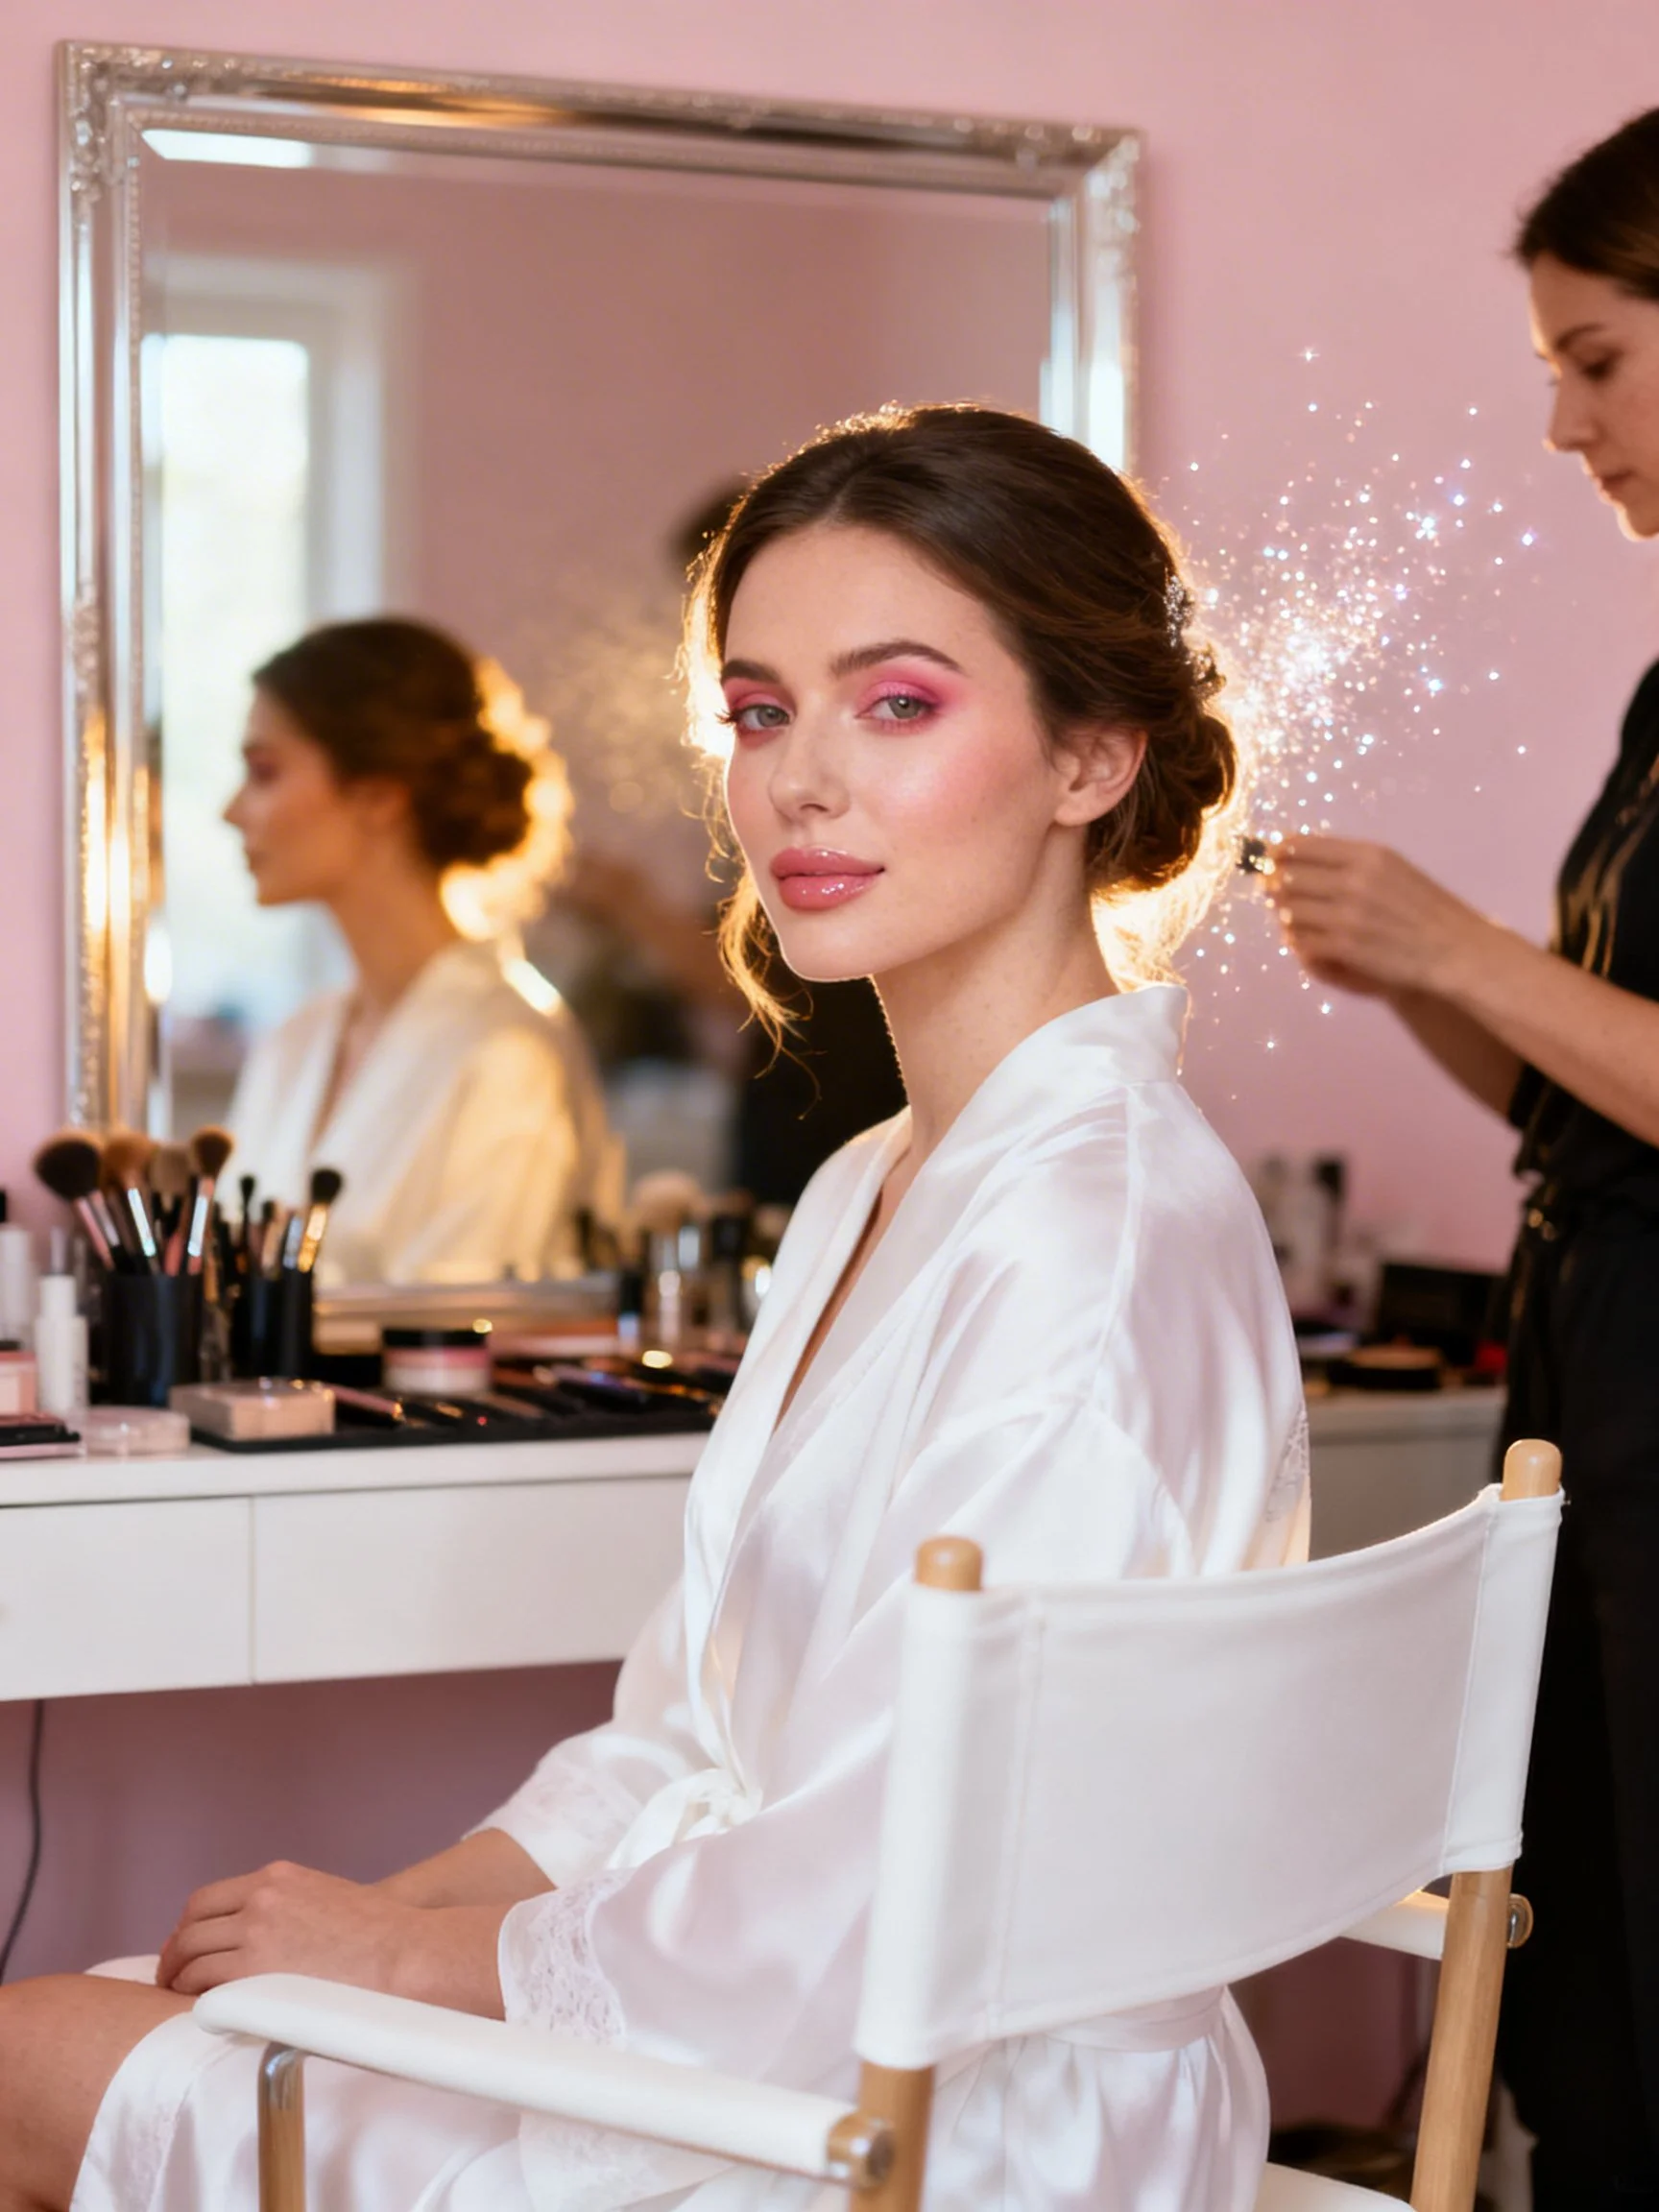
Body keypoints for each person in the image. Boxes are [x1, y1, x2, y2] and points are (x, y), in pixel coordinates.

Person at [0, 406, 1307, 2212]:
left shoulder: (1092, 1238)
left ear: (1093, 752)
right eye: (761, 711)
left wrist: (411, 1966)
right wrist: (405, 1913)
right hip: (784, 2019)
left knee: (27, 2061)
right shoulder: (874, 1181)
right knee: (104, 2020)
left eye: (898, 703)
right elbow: (686, 1738)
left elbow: (897, 1880)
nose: (796, 782)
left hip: (939, 2127)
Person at [1273, 109, 1659, 2210]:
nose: (1562, 426)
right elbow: (1592, 1094)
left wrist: (1464, 946)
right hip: (1596, 1385)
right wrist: (1406, 977)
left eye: (1595, 361)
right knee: (1584, 1963)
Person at [222, 618, 620, 1284]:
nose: (232, 811)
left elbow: (464, 1332)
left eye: (265, 772)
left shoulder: (507, 1054)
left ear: (379, 793)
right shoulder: (294, 1043)